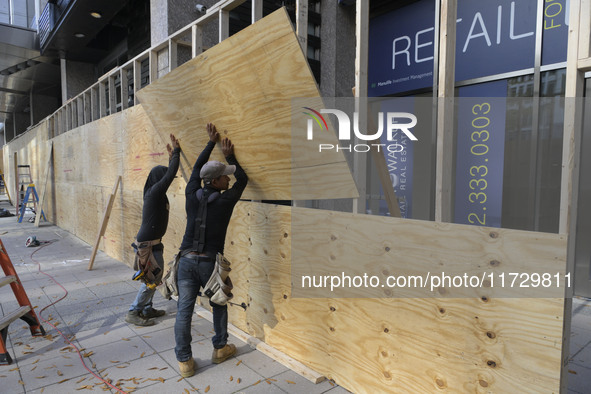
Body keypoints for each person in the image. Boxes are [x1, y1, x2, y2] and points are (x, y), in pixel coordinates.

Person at [174, 123, 248, 378]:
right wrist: (229, 155)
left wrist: (210, 143)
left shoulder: (190, 191)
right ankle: (220, 348)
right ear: (215, 181)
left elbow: (195, 169)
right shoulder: (226, 200)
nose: (229, 178)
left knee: (184, 310)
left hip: (185, 261)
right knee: (218, 303)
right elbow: (244, 180)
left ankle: (185, 362)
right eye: (225, 175)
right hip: (209, 263)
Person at [125, 133, 181, 327]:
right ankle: (134, 311)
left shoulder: (157, 194)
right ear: (157, 180)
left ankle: (147, 309)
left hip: (153, 243)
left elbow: (167, 176)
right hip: (148, 245)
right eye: (162, 176)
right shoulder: (153, 193)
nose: (165, 179)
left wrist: (171, 157)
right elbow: (170, 175)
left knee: (151, 278)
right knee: (152, 280)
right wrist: (177, 153)